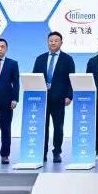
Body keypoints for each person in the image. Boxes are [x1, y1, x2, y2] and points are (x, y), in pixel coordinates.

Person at [33, 31, 75, 164]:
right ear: (47, 42)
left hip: (59, 98)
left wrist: (69, 96)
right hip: (42, 99)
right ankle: (42, 153)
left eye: (56, 41)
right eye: (51, 40)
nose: (53, 43)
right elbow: (34, 77)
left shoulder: (67, 59)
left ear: (61, 43)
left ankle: (57, 152)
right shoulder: (40, 58)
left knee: (58, 127)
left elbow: (71, 79)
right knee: (42, 127)